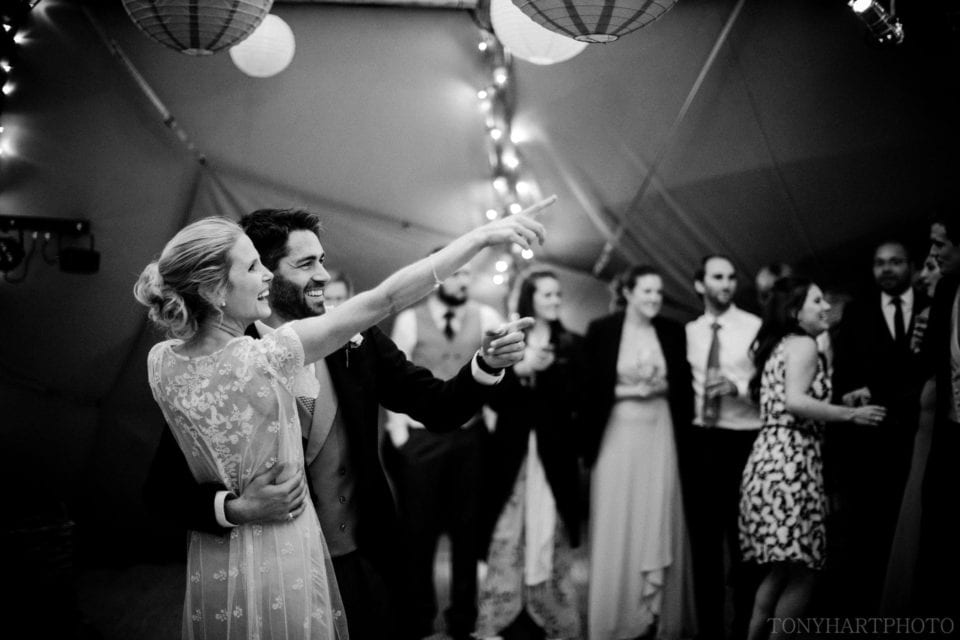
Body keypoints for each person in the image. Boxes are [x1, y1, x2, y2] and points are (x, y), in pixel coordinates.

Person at [133, 198, 552, 640]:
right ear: (267, 273)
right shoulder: (218, 368)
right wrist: (235, 508)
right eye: (306, 263)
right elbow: (164, 490)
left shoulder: (359, 342)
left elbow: (440, 407)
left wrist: (485, 366)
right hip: (279, 575)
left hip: (366, 560)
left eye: (323, 261)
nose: (322, 276)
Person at [738, 276, 886, 640]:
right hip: (792, 464)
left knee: (780, 571)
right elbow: (796, 401)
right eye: (817, 301)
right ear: (794, 311)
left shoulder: (780, 345)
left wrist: (839, 404)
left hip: (767, 460)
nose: (826, 307)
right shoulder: (804, 343)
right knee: (805, 572)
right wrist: (851, 415)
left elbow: (790, 402)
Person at [383, 256, 505, 640]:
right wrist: (399, 433)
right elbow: (391, 381)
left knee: (467, 532)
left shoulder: (486, 316)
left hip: (469, 438)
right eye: (456, 272)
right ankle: (419, 621)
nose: (463, 280)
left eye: (468, 273)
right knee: (418, 533)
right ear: (440, 279)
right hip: (421, 440)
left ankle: (464, 622)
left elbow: (499, 372)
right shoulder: (408, 319)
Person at [580, 265, 697, 640]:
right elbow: (589, 391)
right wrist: (633, 391)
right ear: (628, 292)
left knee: (656, 511)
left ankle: (655, 612)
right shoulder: (602, 330)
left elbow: (684, 388)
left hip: (660, 433)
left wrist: (663, 385)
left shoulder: (672, 331)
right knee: (617, 516)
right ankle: (615, 616)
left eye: (658, 293)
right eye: (646, 291)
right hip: (616, 433)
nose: (654, 299)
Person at [475, 269, 583, 640]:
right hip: (511, 452)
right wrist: (520, 371)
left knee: (551, 530)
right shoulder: (507, 341)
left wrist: (552, 374)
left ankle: (550, 614)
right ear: (530, 300)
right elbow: (491, 395)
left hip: (555, 455)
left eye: (558, 295)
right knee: (507, 530)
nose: (555, 301)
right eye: (547, 295)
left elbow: (576, 402)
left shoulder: (572, 344)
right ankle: (503, 615)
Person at [830, 240, 927, 615]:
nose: (887, 269)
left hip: (917, 431)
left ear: (912, 266)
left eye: (896, 262)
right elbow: (845, 372)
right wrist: (849, 397)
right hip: (870, 439)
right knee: (871, 531)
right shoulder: (858, 311)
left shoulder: (931, 305)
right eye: (880, 263)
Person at [684, 255, 762, 640]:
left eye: (731, 277)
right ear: (700, 284)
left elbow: (770, 387)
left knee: (744, 542)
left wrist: (739, 389)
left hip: (743, 440)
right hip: (702, 442)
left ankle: (744, 627)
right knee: (704, 543)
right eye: (718, 277)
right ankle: (710, 630)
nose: (727, 284)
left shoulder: (755, 327)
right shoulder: (691, 332)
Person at [916, 212, 960, 623]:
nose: (931, 253)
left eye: (939, 244)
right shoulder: (947, 290)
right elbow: (931, 363)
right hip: (951, 434)